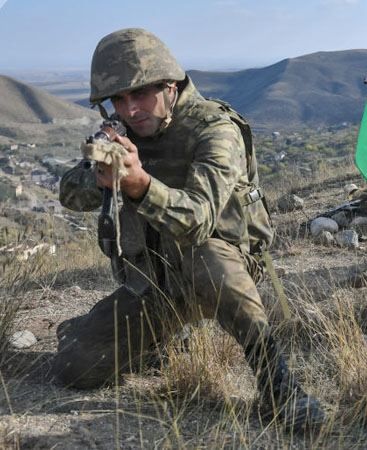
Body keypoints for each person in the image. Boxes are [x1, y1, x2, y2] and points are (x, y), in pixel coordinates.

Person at [53, 28, 325, 431]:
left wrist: (139, 185)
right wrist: (101, 177)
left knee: (207, 254)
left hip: (219, 277)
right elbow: (69, 196)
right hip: (155, 285)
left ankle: (279, 387)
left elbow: (198, 219)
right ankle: (157, 342)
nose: (129, 109)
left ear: (170, 85)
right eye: (119, 100)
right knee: (75, 369)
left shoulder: (215, 129)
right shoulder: (121, 133)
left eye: (140, 94)